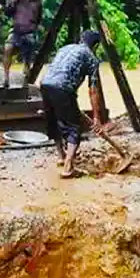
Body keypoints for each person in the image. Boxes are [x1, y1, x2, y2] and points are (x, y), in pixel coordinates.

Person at [40, 30, 106, 179]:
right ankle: (68, 167)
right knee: (74, 127)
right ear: (95, 46)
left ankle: (61, 156)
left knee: (54, 122)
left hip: (45, 84)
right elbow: (93, 90)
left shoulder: (65, 48)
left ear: (81, 39)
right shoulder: (92, 58)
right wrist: (96, 118)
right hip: (63, 88)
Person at [3, 0, 43, 88]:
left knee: (27, 60)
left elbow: (39, 18)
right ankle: (6, 78)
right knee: (7, 49)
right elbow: (7, 13)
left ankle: (25, 84)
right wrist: (12, 1)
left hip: (29, 33)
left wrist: (34, 27)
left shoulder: (37, 2)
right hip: (16, 31)